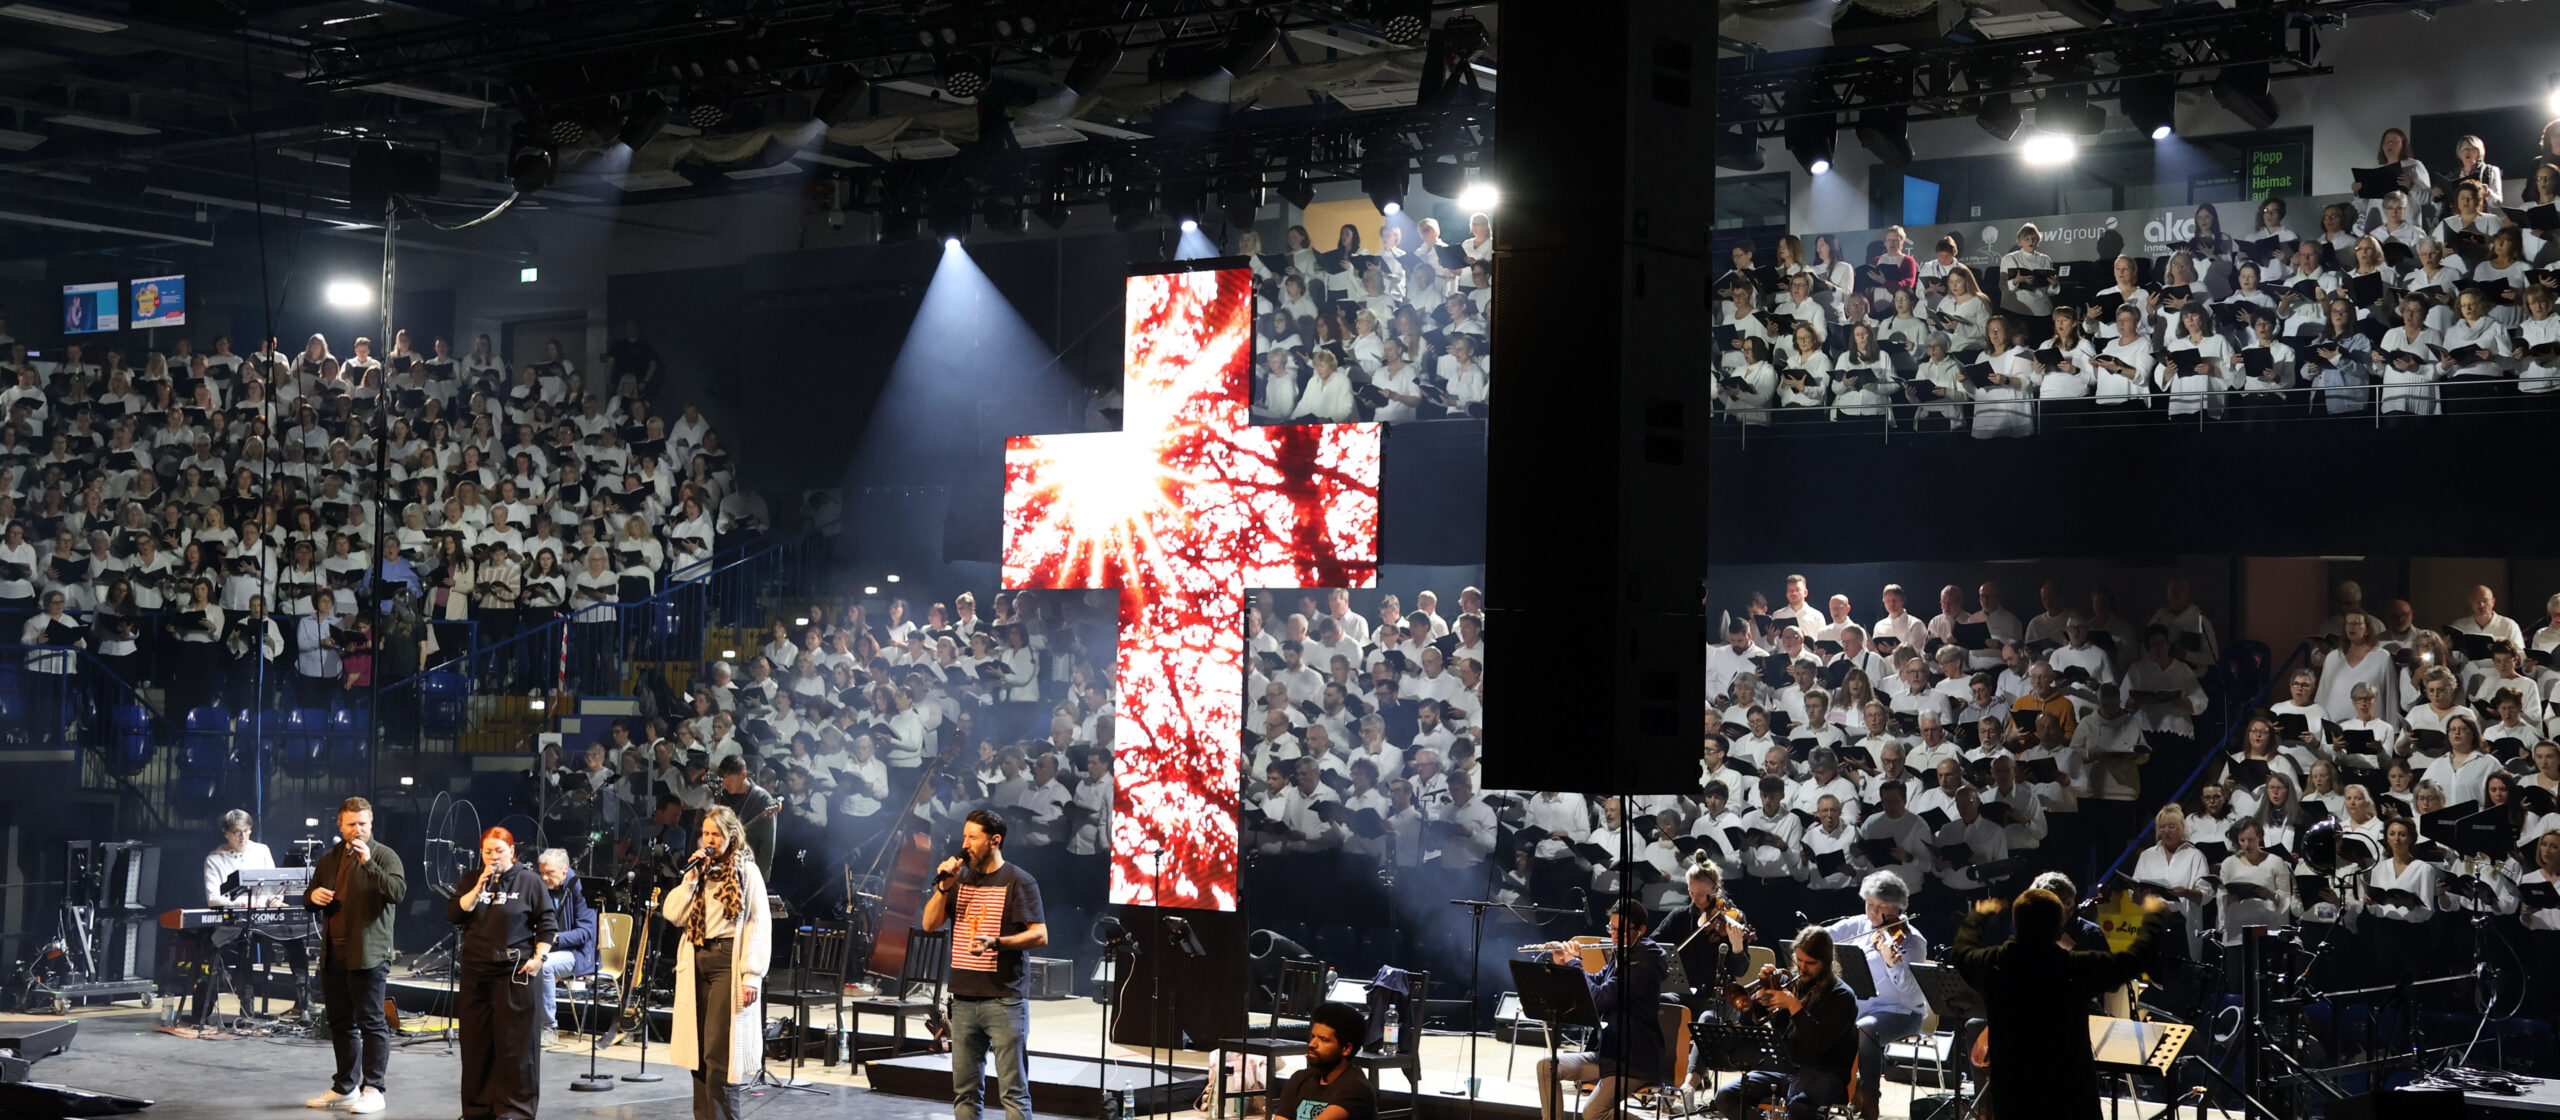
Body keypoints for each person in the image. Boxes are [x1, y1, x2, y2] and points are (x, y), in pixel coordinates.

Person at [1947, 889, 2169, 1120]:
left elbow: (1961, 952)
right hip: (2070, 1097)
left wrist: (1978, 917)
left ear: (2015, 923)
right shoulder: (2074, 968)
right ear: (2059, 928)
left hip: (2014, 1097)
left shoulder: (1993, 964)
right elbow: (2134, 960)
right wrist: (2154, 917)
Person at [925, 808, 1050, 1120]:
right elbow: (929, 923)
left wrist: (996, 942)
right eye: (964, 836)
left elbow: (1039, 934)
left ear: (994, 841)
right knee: (965, 1093)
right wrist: (944, 886)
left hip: (1004, 1000)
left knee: (1013, 1093)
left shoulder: (1019, 880)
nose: (965, 844)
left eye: (972, 837)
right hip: (963, 1000)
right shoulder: (958, 881)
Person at [664, 805, 773, 1120]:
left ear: (731, 836)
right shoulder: (700, 872)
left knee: (718, 1052)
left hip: (728, 962)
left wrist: (751, 975)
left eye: (716, 834)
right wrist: (689, 880)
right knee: (697, 1052)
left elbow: (758, 923)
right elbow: (673, 914)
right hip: (696, 959)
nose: (709, 840)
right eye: (705, 833)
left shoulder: (746, 871)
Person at [304, 797, 407, 1115]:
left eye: (363, 823)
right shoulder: (330, 858)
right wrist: (313, 896)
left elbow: (397, 892)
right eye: (351, 824)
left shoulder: (384, 855)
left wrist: (369, 864)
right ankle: (344, 1087)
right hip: (334, 952)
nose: (357, 829)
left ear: (371, 822)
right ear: (340, 825)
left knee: (371, 1021)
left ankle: (374, 1089)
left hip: (369, 953)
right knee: (340, 1022)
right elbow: (309, 898)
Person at [446, 827, 557, 1120]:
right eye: (487, 852)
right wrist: (478, 888)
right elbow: (454, 914)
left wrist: (539, 958)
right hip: (477, 974)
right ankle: (478, 1109)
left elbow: (547, 923)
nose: (493, 857)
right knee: (477, 1046)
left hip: (514, 973)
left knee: (515, 1047)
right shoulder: (472, 879)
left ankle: (515, 1110)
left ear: (512, 851)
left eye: (499, 851)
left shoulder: (529, 881)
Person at [1534, 899, 1668, 1120]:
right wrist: (1565, 965)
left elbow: (1599, 998)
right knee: (1546, 1067)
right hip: (1609, 1054)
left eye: (1622, 930)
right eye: (1612, 928)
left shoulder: (1643, 966)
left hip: (1634, 1060)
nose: (1614, 935)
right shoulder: (1622, 954)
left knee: (1593, 1113)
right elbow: (1595, 982)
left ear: (1641, 930)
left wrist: (1575, 963)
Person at [1713, 925, 1857, 1119]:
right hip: (1782, 1068)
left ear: (1826, 962)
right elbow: (1750, 1025)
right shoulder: (1788, 983)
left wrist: (1794, 1007)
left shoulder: (1841, 995)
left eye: (1810, 963)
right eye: (1799, 960)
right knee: (1725, 1097)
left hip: (1823, 1073)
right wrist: (1756, 1001)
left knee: (1799, 1108)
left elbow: (1817, 1046)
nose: (1802, 968)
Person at [1825, 872, 1927, 1120]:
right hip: (1859, 1008)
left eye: (1881, 907)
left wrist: (1892, 963)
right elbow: (1823, 937)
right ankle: (1827, 1091)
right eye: (1870, 903)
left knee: (1867, 1028)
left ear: (1898, 907)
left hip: (1901, 1013)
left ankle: (1870, 1097)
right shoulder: (1858, 925)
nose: (1873, 911)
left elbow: (1910, 991)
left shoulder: (1912, 941)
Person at [199, 809, 309, 1023]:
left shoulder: (261, 850)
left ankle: (304, 1001)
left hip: (263, 915)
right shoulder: (214, 859)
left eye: (247, 831)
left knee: (294, 937)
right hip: (237, 918)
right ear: (226, 833)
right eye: (237, 832)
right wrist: (242, 902)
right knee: (245, 944)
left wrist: (274, 899)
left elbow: (273, 884)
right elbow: (213, 899)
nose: (243, 837)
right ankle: (246, 1008)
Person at [534, 848, 600, 1046]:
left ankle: (548, 1027)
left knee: (544, 965)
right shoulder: (542, 886)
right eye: (541, 872)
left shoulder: (581, 888)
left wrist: (553, 939)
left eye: (550, 873)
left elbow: (585, 933)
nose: (544, 877)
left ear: (565, 869)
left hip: (579, 954)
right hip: (549, 948)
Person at [1274, 1003, 1374, 1120]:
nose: (1312, 1044)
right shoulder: (1299, 1079)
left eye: (1323, 1039)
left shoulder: (1356, 1088)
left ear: (1346, 1049)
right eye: (1313, 1037)